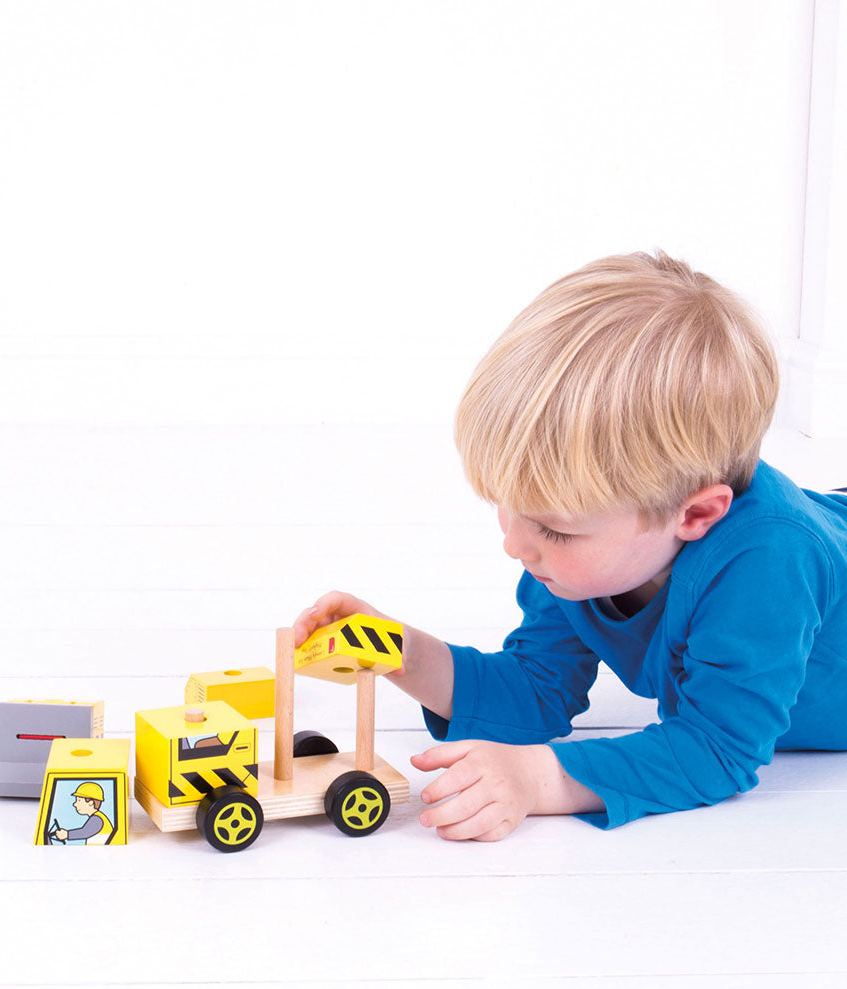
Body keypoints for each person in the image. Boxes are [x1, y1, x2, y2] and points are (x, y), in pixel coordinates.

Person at [293, 251, 847, 841]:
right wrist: (401, 652)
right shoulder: (572, 560)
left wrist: (541, 779)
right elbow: (536, 690)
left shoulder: (768, 564)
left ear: (696, 514)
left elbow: (716, 749)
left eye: (553, 528)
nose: (515, 544)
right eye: (508, 507)